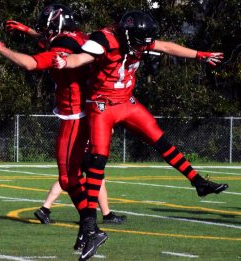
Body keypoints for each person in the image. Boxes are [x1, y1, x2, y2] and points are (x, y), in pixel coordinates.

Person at [53, 10, 229, 260]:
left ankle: (198, 182)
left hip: (126, 101)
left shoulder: (138, 38)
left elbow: (166, 46)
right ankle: (89, 224)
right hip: (102, 105)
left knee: (161, 140)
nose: (141, 49)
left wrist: (200, 55)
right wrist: (65, 62)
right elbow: (82, 57)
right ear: (126, 35)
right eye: (137, 43)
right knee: (97, 161)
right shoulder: (105, 39)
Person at [0, 4, 124, 253]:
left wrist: (0, 47)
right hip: (92, 111)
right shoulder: (80, 37)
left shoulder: (62, 48)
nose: (43, 33)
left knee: (68, 177)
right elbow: (52, 39)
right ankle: (90, 227)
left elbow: (30, 63)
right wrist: (28, 30)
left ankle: (91, 228)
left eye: (46, 28)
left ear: (56, 27)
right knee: (76, 175)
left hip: (75, 116)